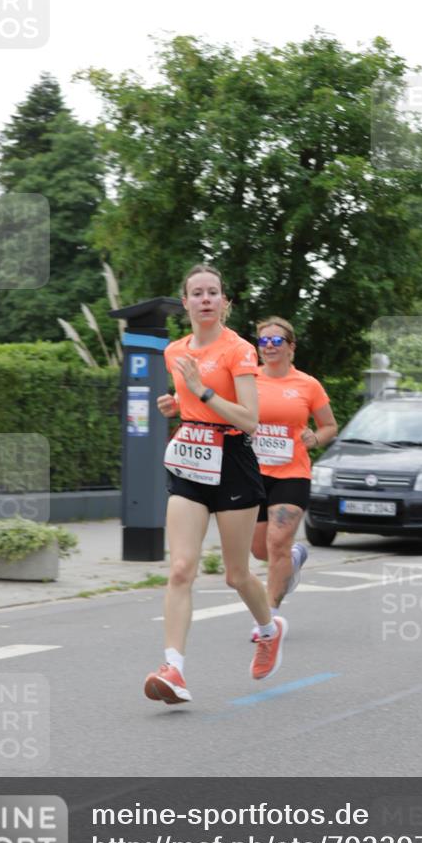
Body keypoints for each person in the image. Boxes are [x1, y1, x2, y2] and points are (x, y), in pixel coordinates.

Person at [144, 264, 287, 705]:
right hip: (190, 458)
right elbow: (190, 402)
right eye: (197, 293)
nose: (205, 299)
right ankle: (174, 669)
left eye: (213, 293)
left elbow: (249, 418)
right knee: (181, 568)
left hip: (233, 461)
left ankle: (269, 630)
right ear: (184, 302)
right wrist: (177, 403)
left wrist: (200, 390)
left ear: (225, 302)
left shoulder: (239, 350)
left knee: (236, 574)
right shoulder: (174, 351)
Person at [249, 317, 338, 640]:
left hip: (292, 473)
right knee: (260, 549)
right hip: (253, 474)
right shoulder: (247, 380)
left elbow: (329, 425)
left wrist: (316, 438)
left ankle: (269, 617)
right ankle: (295, 557)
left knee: (277, 542)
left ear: (291, 347)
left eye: (277, 341)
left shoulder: (307, 385)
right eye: (264, 341)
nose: (269, 347)